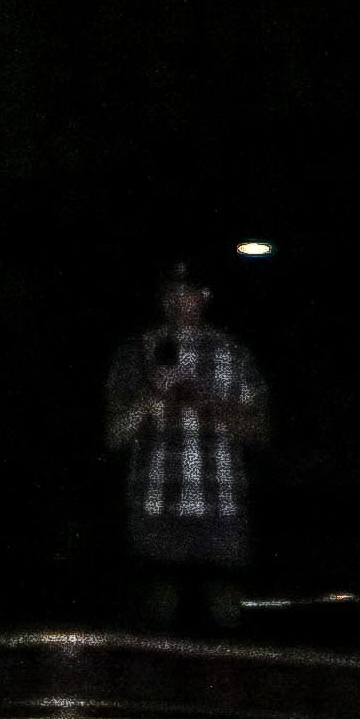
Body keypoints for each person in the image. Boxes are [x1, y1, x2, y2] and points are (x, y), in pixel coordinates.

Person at [99, 270, 266, 630]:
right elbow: (113, 436)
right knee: (158, 614)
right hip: (156, 503)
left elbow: (260, 431)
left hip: (221, 503)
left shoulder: (234, 354)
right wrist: (152, 394)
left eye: (187, 293)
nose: (177, 302)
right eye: (169, 293)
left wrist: (207, 402)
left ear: (205, 296)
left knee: (226, 610)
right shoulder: (135, 354)